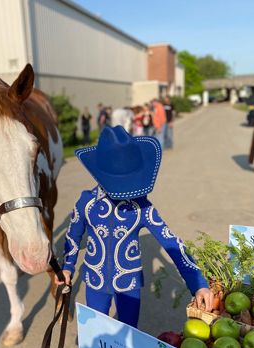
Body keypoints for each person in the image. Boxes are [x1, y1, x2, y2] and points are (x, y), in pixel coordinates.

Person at [56, 126, 213, 328]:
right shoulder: (86, 203)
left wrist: (198, 283)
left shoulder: (142, 208)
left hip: (129, 284)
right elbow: (73, 236)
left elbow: (172, 243)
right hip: (94, 282)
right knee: (95, 338)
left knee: (128, 339)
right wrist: (67, 267)